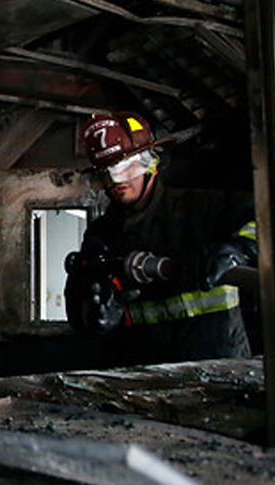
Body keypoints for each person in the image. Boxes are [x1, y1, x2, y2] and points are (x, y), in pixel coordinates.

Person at [64, 111, 258, 366]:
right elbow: (81, 305)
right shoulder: (102, 234)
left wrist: (238, 250)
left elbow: (266, 221)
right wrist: (93, 314)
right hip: (144, 372)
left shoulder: (202, 208)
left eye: (125, 169)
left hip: (216, 361)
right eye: (105, 173)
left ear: (151, 164)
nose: (114, 181)